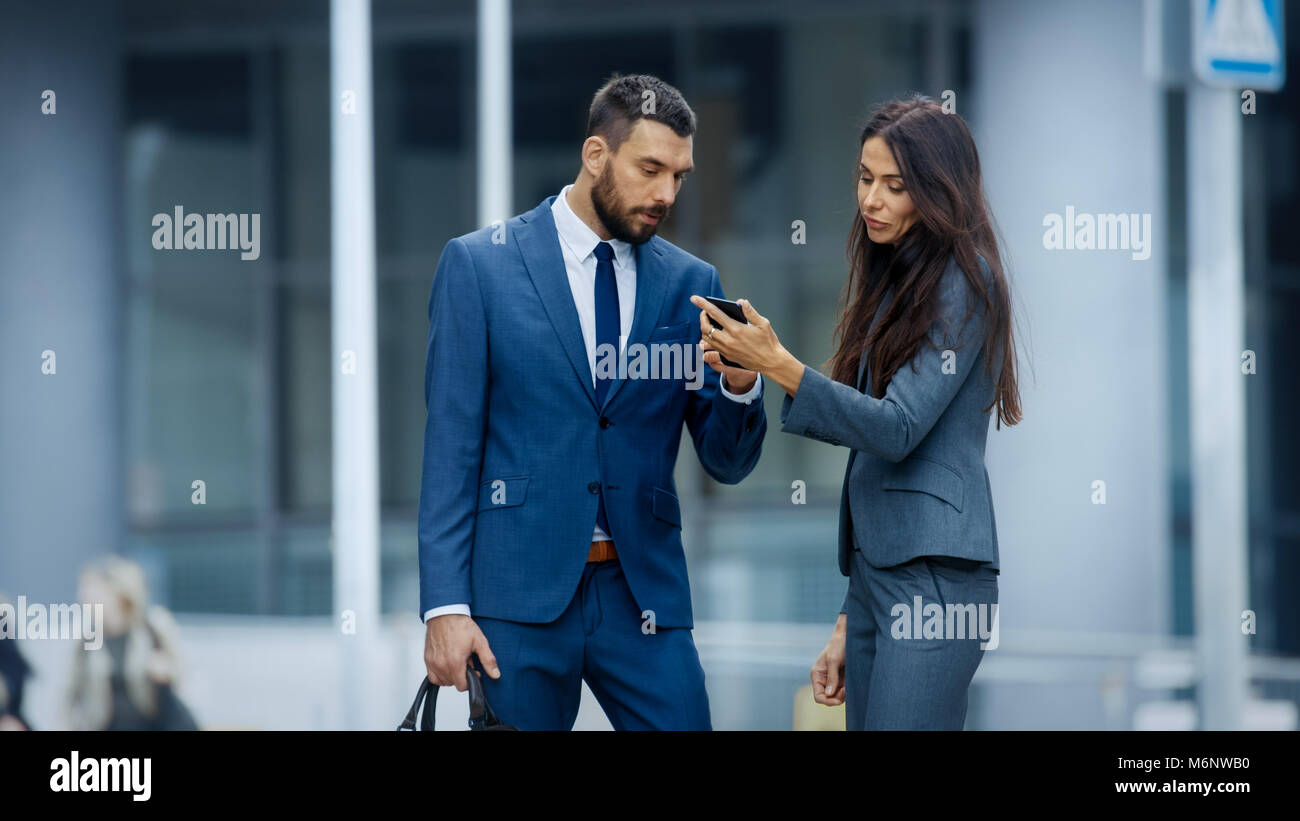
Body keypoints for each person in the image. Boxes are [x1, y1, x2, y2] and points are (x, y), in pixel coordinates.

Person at [419, 73, 767, 730]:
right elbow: (449, 450)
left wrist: (742, 384)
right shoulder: (480, 267)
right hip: (516, 600)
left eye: (680, 176)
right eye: (651, 169)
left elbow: (726, 461)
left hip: (644, 598)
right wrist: (444, 607)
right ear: (595, 155)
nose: (666, 193)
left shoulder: (694, 283)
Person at [692, 94, 1022, 730]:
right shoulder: (896, 282)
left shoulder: (967, 280)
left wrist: (777, 364)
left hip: (938, 582)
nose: (871, 200)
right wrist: (851, 613)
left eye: (894, 186)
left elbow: (895, 429)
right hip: (879, 579)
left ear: (939, 190)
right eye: (865, 179)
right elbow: (876, 461)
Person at [65, 556, 199, 731]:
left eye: (92, 588)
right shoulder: (85, 639)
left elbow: (181, 675)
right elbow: (70, 696)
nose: (83, 595)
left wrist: (165, 671)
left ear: (117, 591)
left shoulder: (153, 627)